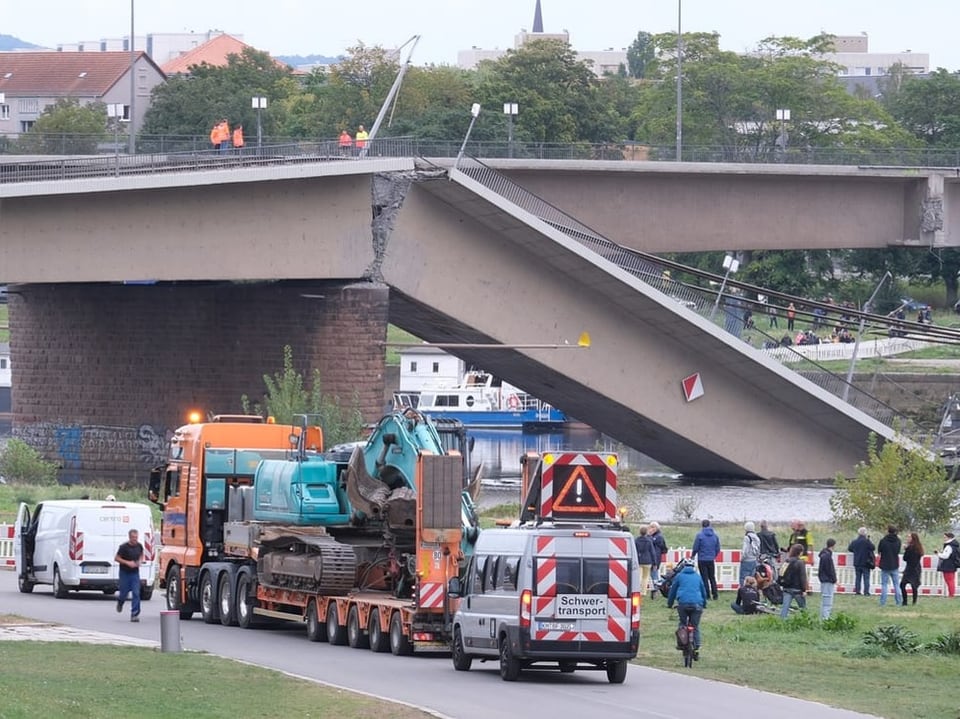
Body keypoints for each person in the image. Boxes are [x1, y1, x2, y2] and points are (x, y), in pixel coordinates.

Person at [667, 558, 708, 657]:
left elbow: (673, 591)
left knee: (682, 623)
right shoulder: (698, 577)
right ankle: (697, 646)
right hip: (697, 604)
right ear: (694, 567)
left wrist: (670, 603)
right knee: (695, 626)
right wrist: (704, 604)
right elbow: (703, 591)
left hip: (683, 603)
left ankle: (681, 643)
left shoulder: (679, 576)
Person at [115, 528, 144, 622]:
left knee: (136, 593)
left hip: (135, 573)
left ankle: (134, 614)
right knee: (124, 593)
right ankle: (120, 602)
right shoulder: (123, 547)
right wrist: (127, 563)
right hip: (124, 572)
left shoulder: (139, 546)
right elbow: (117, 558)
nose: (135, 539)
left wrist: (140, 561)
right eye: (133, 537)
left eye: (136, 537)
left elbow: (141, 554)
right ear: (129, 537)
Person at [692, 519, 721, 600]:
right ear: (709, 525)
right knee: (712, 577)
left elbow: (696, 547)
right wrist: (713, 555)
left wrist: (693, 555)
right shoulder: (715, 536)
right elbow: (718, 548)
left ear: (702, 525)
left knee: (704, 577)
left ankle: (707, 594)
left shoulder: (699, 535)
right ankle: (715, 594)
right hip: (711, 559)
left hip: (702, 559)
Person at [779, 543, 808, 618]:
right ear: (800, 552)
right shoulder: (800, 562)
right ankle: (805, 621)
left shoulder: (787, 561)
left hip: (787, 587)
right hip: (797, 589)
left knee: (785, 607)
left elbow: (781, 573)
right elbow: (803, 577)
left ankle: (782, 621)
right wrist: (804, 589)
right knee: (803, 608)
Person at [877, 525, 903, 607]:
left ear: (888, 531)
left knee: (884, 584)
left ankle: (883, 602)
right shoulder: (898, 541)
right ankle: (899, 601)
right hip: (894, 564)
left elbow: (879, 550)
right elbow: (898, 551)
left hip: (884, 564)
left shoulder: (883, 540)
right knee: (896, 584)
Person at [848, 527, 876, 596]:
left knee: (858, 578)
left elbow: (850, 548)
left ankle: (857, 591)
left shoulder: (854, 541)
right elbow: (873, 548)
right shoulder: (867, 541)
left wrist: (855, 551)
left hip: (857, 562)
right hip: (866, 562)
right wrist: (869, 540)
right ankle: (866, 592)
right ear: (865, 533)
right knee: (866, 578)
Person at [633, 524, 658, 597]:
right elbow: (652, 552)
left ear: (639, 532)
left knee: (639, 576)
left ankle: (637, 590)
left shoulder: (636, 540)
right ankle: (643, 592)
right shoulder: (649, 541)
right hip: (648, 561)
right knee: (645, 577)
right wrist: (655, 563)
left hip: (639, 560)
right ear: (646, 532)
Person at [900, 532, 924, 606]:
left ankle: (905, 601)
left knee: (903, 585)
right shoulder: (919, 548)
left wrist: (906, 550)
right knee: (913, 586)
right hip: (916, 568)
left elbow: (905, 558)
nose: (907, 538)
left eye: (909, 537)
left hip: (910, 568)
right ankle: (914, 601)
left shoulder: (910, 548)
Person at [817, 538, 837, 620]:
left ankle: (823, 617)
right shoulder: (827, 556)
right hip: (828, 580)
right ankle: (826, 618)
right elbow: (830, 569)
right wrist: (834, 578)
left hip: (824, 579)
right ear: (833, 545)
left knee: (825, 599)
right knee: (828, 600)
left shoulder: (824, 555)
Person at [648, 521, 668, 596]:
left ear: (656, 528)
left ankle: (659, 587)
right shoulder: (653, 536)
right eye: (650, 527)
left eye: (653, 527)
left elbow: (662, 547)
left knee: (654, 574)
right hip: (653, 557)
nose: (651, 529)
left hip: (655, 558)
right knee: (654, 574)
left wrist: (649, 536)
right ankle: (661, 585)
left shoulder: (658, 537)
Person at [937, 531, 960, 597]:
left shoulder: (949, 546)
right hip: (952, 565)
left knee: (949, 580)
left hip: (948, 565)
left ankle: (951, 595)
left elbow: (946, 556)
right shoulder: (954, 545)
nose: (944, 538)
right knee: (950, 580)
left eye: (945, 537)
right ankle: (951, 594)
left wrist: (938, 554)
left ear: (949, 537)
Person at [740, 521, 761, 587]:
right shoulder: (757, 538)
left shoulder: (747, 538)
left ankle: (744, 591)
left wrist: (742, 558)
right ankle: (752, 590)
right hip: (754, 560)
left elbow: (745, 550)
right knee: (752, 578)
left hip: (747, 560)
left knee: (744, 578)